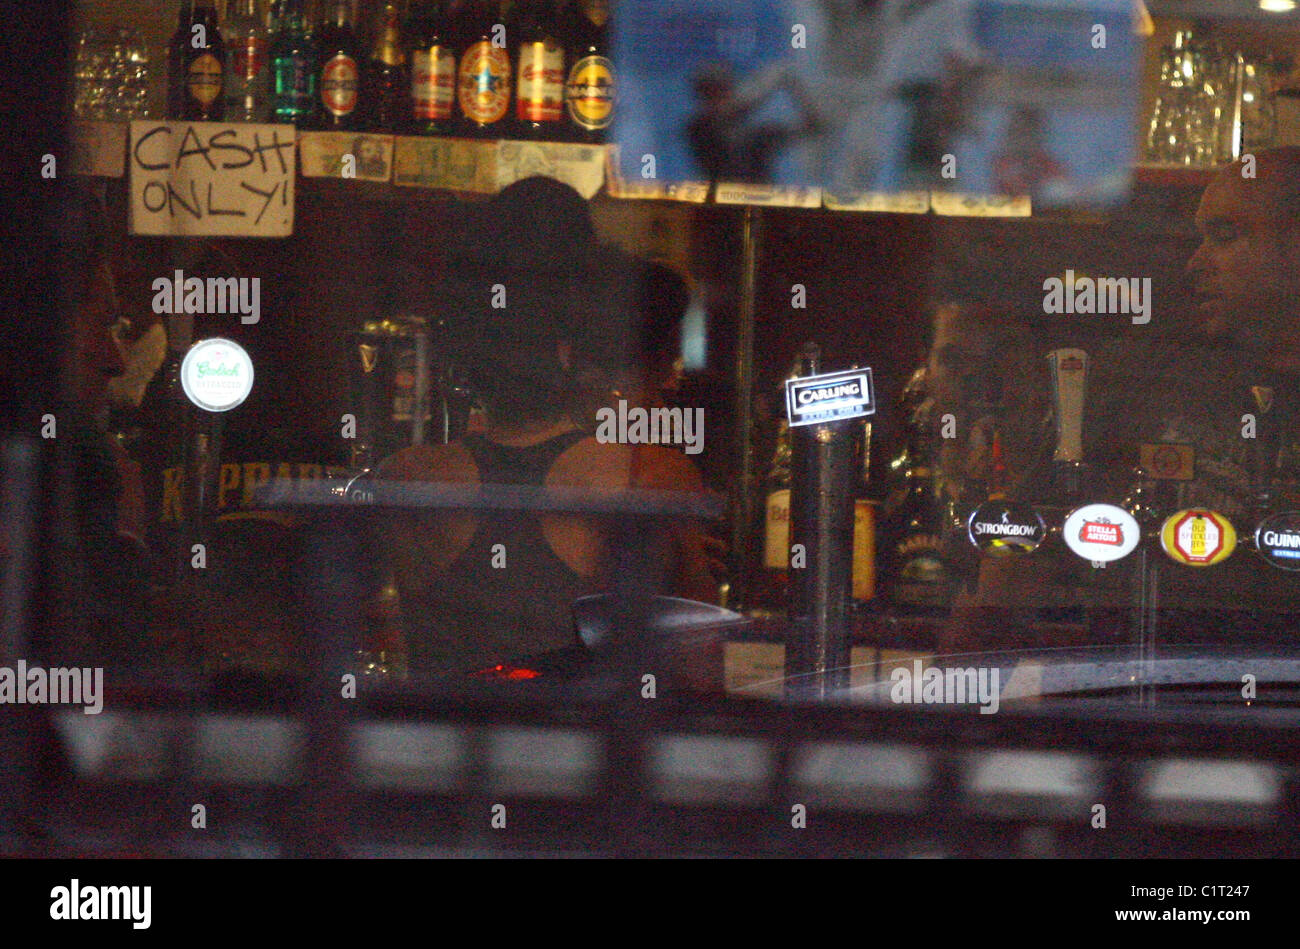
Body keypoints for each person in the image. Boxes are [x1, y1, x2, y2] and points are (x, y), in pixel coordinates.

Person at [942, 147, 1300, 654]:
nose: (1196, 264)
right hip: (1130, 714)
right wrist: (950, 715)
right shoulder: (1141, 384)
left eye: (1225, 236)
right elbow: (1010, 572)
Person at [373, 178, 717, 679]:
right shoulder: (648, 476)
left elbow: (395, 644)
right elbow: (700, 665)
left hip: (447, 749)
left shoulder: (406, 479)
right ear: (574, 347)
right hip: (586, 753)